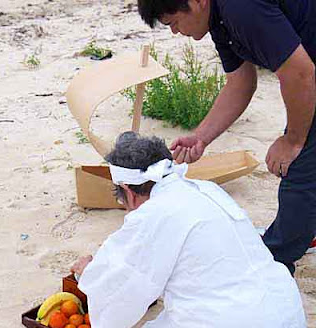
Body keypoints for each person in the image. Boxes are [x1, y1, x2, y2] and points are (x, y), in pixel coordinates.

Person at [71, 132, 311, 328]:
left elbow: (124, 279)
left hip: (235, 327)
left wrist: (87, 272)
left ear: (128, 190)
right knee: (238, 322)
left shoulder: (152, 215)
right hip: (282, 309)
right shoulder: (206, 189)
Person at [135, 0, 316, 276]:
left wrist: (293, 140)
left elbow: (300, 73)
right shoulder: (219, 19)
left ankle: (273, 261)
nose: (175, 32)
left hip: (307, 72)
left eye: (174, 23)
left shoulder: (241, 8)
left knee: (300, 168)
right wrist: (200, 137)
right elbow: (241, 82)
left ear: (197, 2)